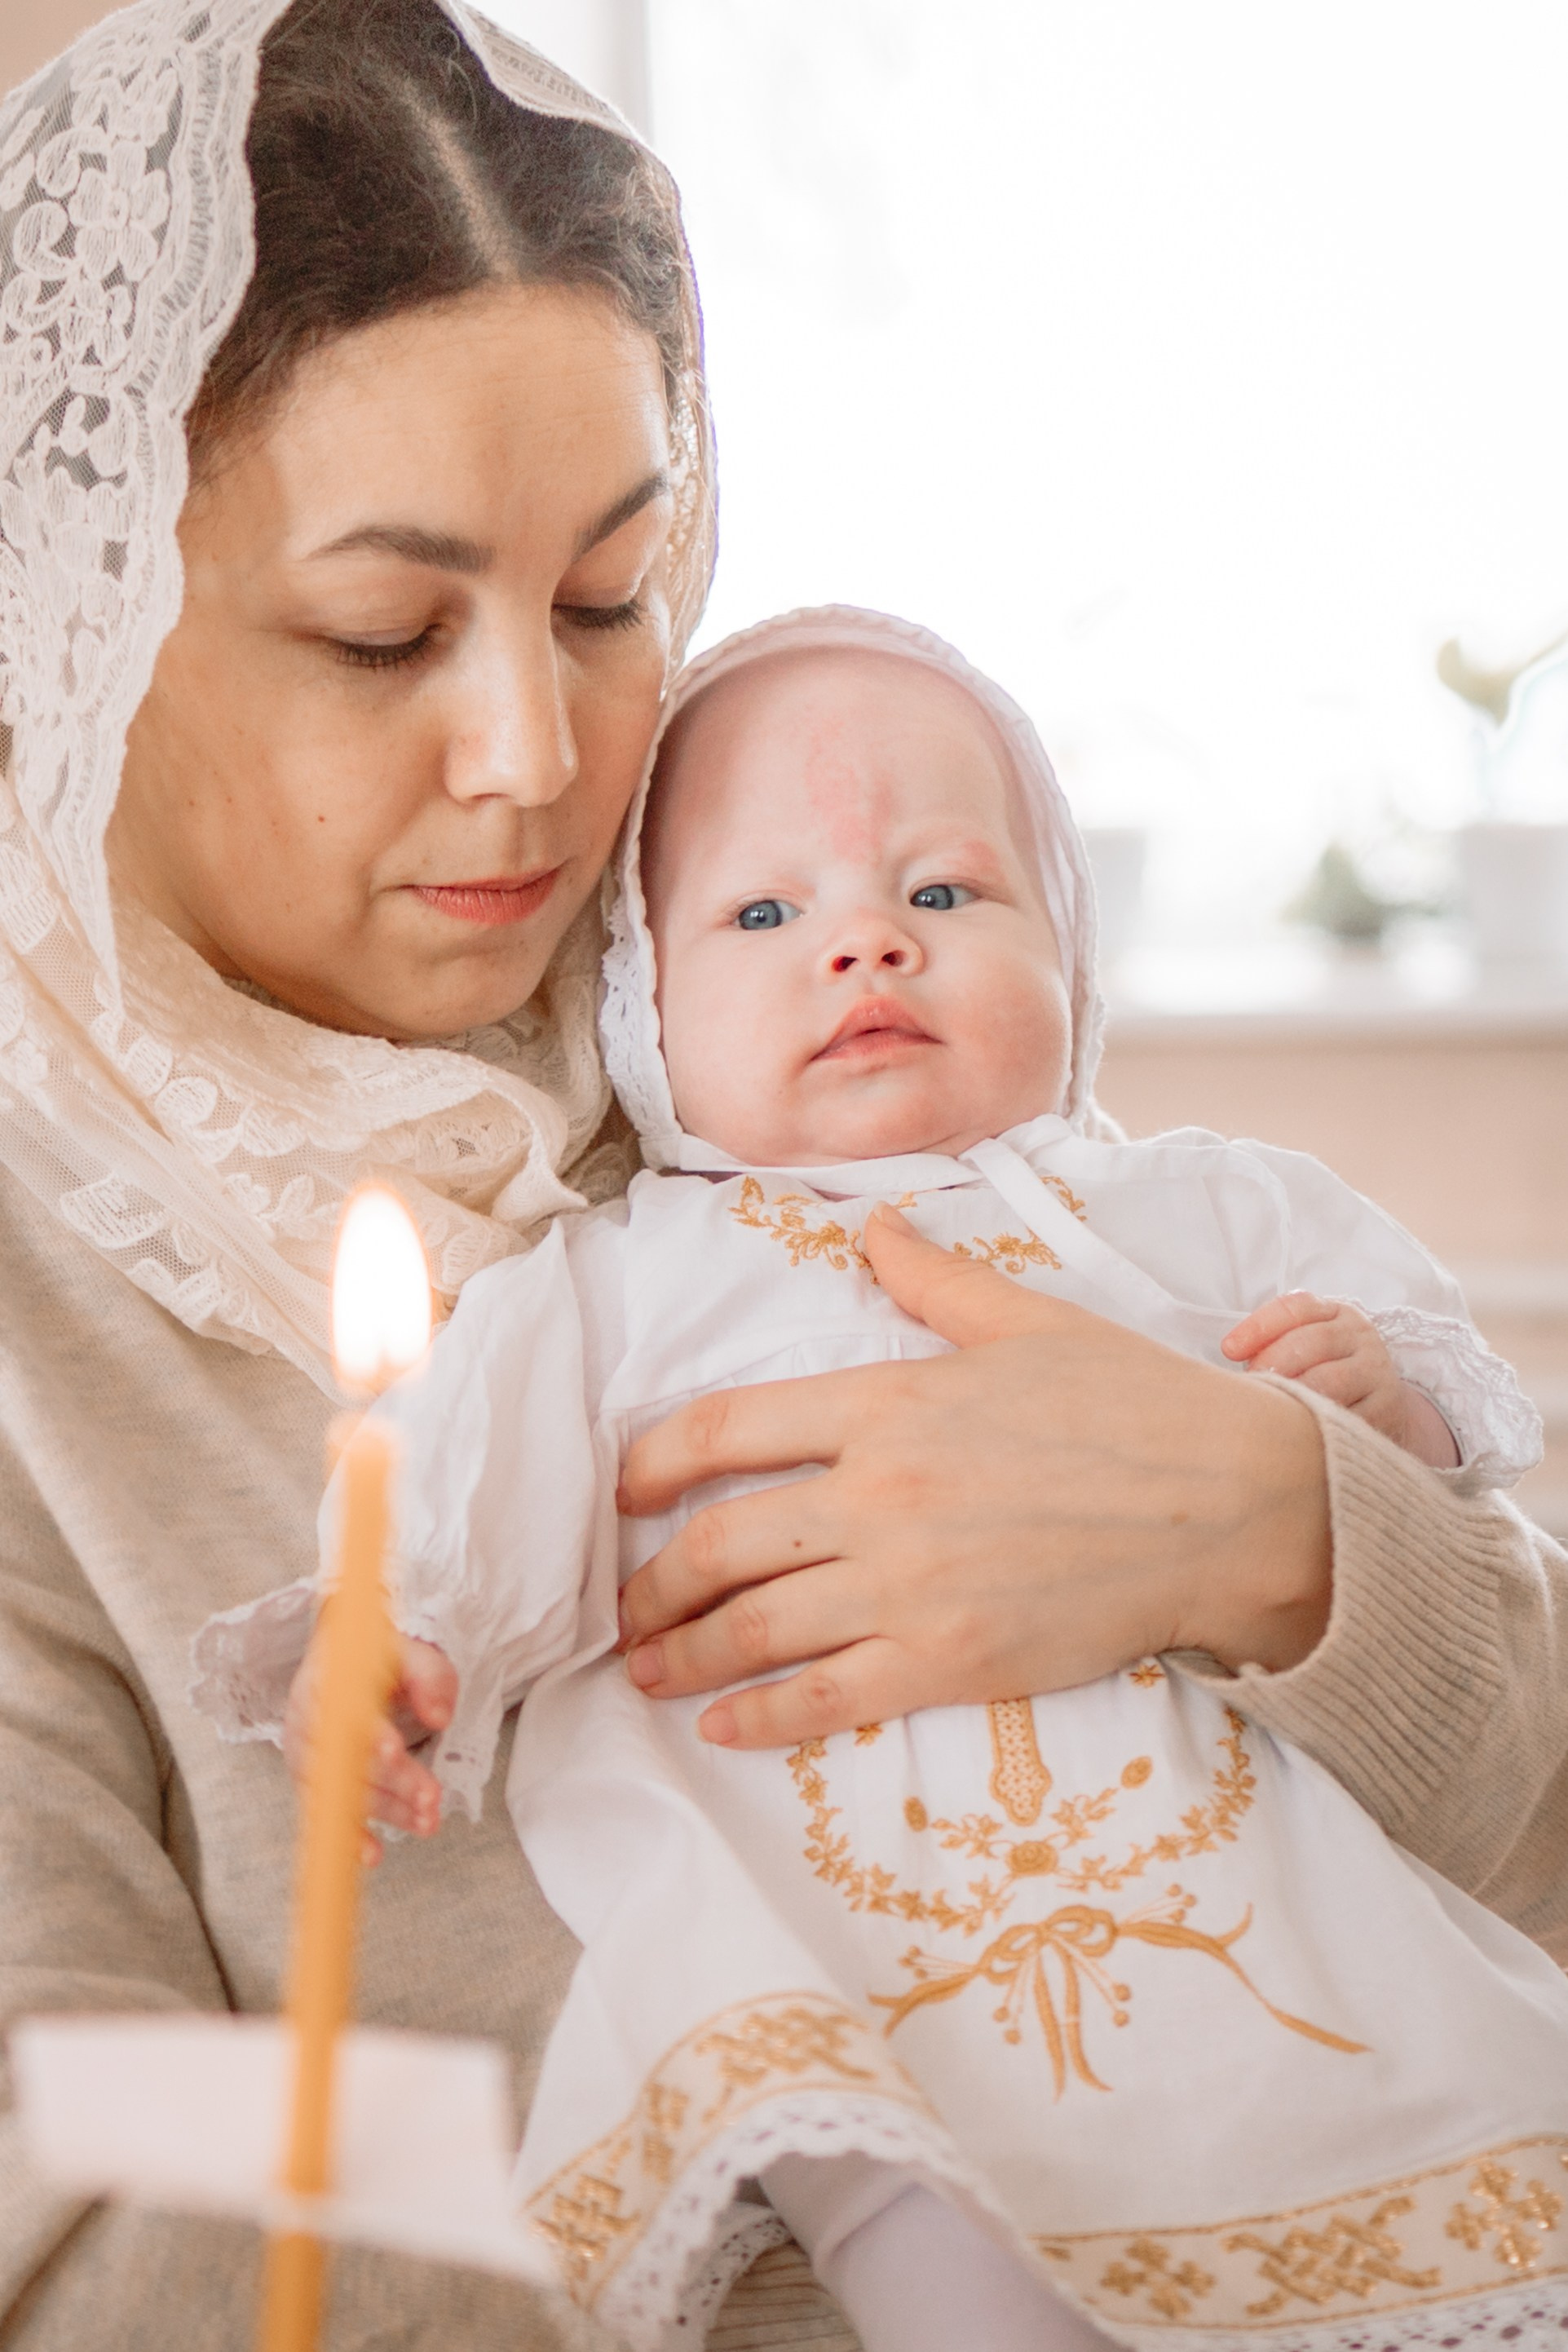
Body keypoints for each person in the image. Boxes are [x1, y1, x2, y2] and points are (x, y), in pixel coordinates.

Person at [0, 1, 1562, 2347]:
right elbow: (76, 2167)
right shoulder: (46, 1309)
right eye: (381, 627)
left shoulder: (802, 1027)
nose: (536, 760)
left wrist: (1280, 1531)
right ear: (80, 616)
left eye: (614, 596)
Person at [201, 608, 1563, 2352]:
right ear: (638, 1010)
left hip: (1247, 1885)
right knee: (903, 2187)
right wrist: (395, 1638)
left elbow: (1441, 1404)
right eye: (765, 915)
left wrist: (1366, 1407)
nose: (863, 947)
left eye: (941, 893)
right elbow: (454, 1485)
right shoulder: (619, 1278)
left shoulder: (1189, 1206)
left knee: (1415, 2094)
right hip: (816, 1917)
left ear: (1068, 955)